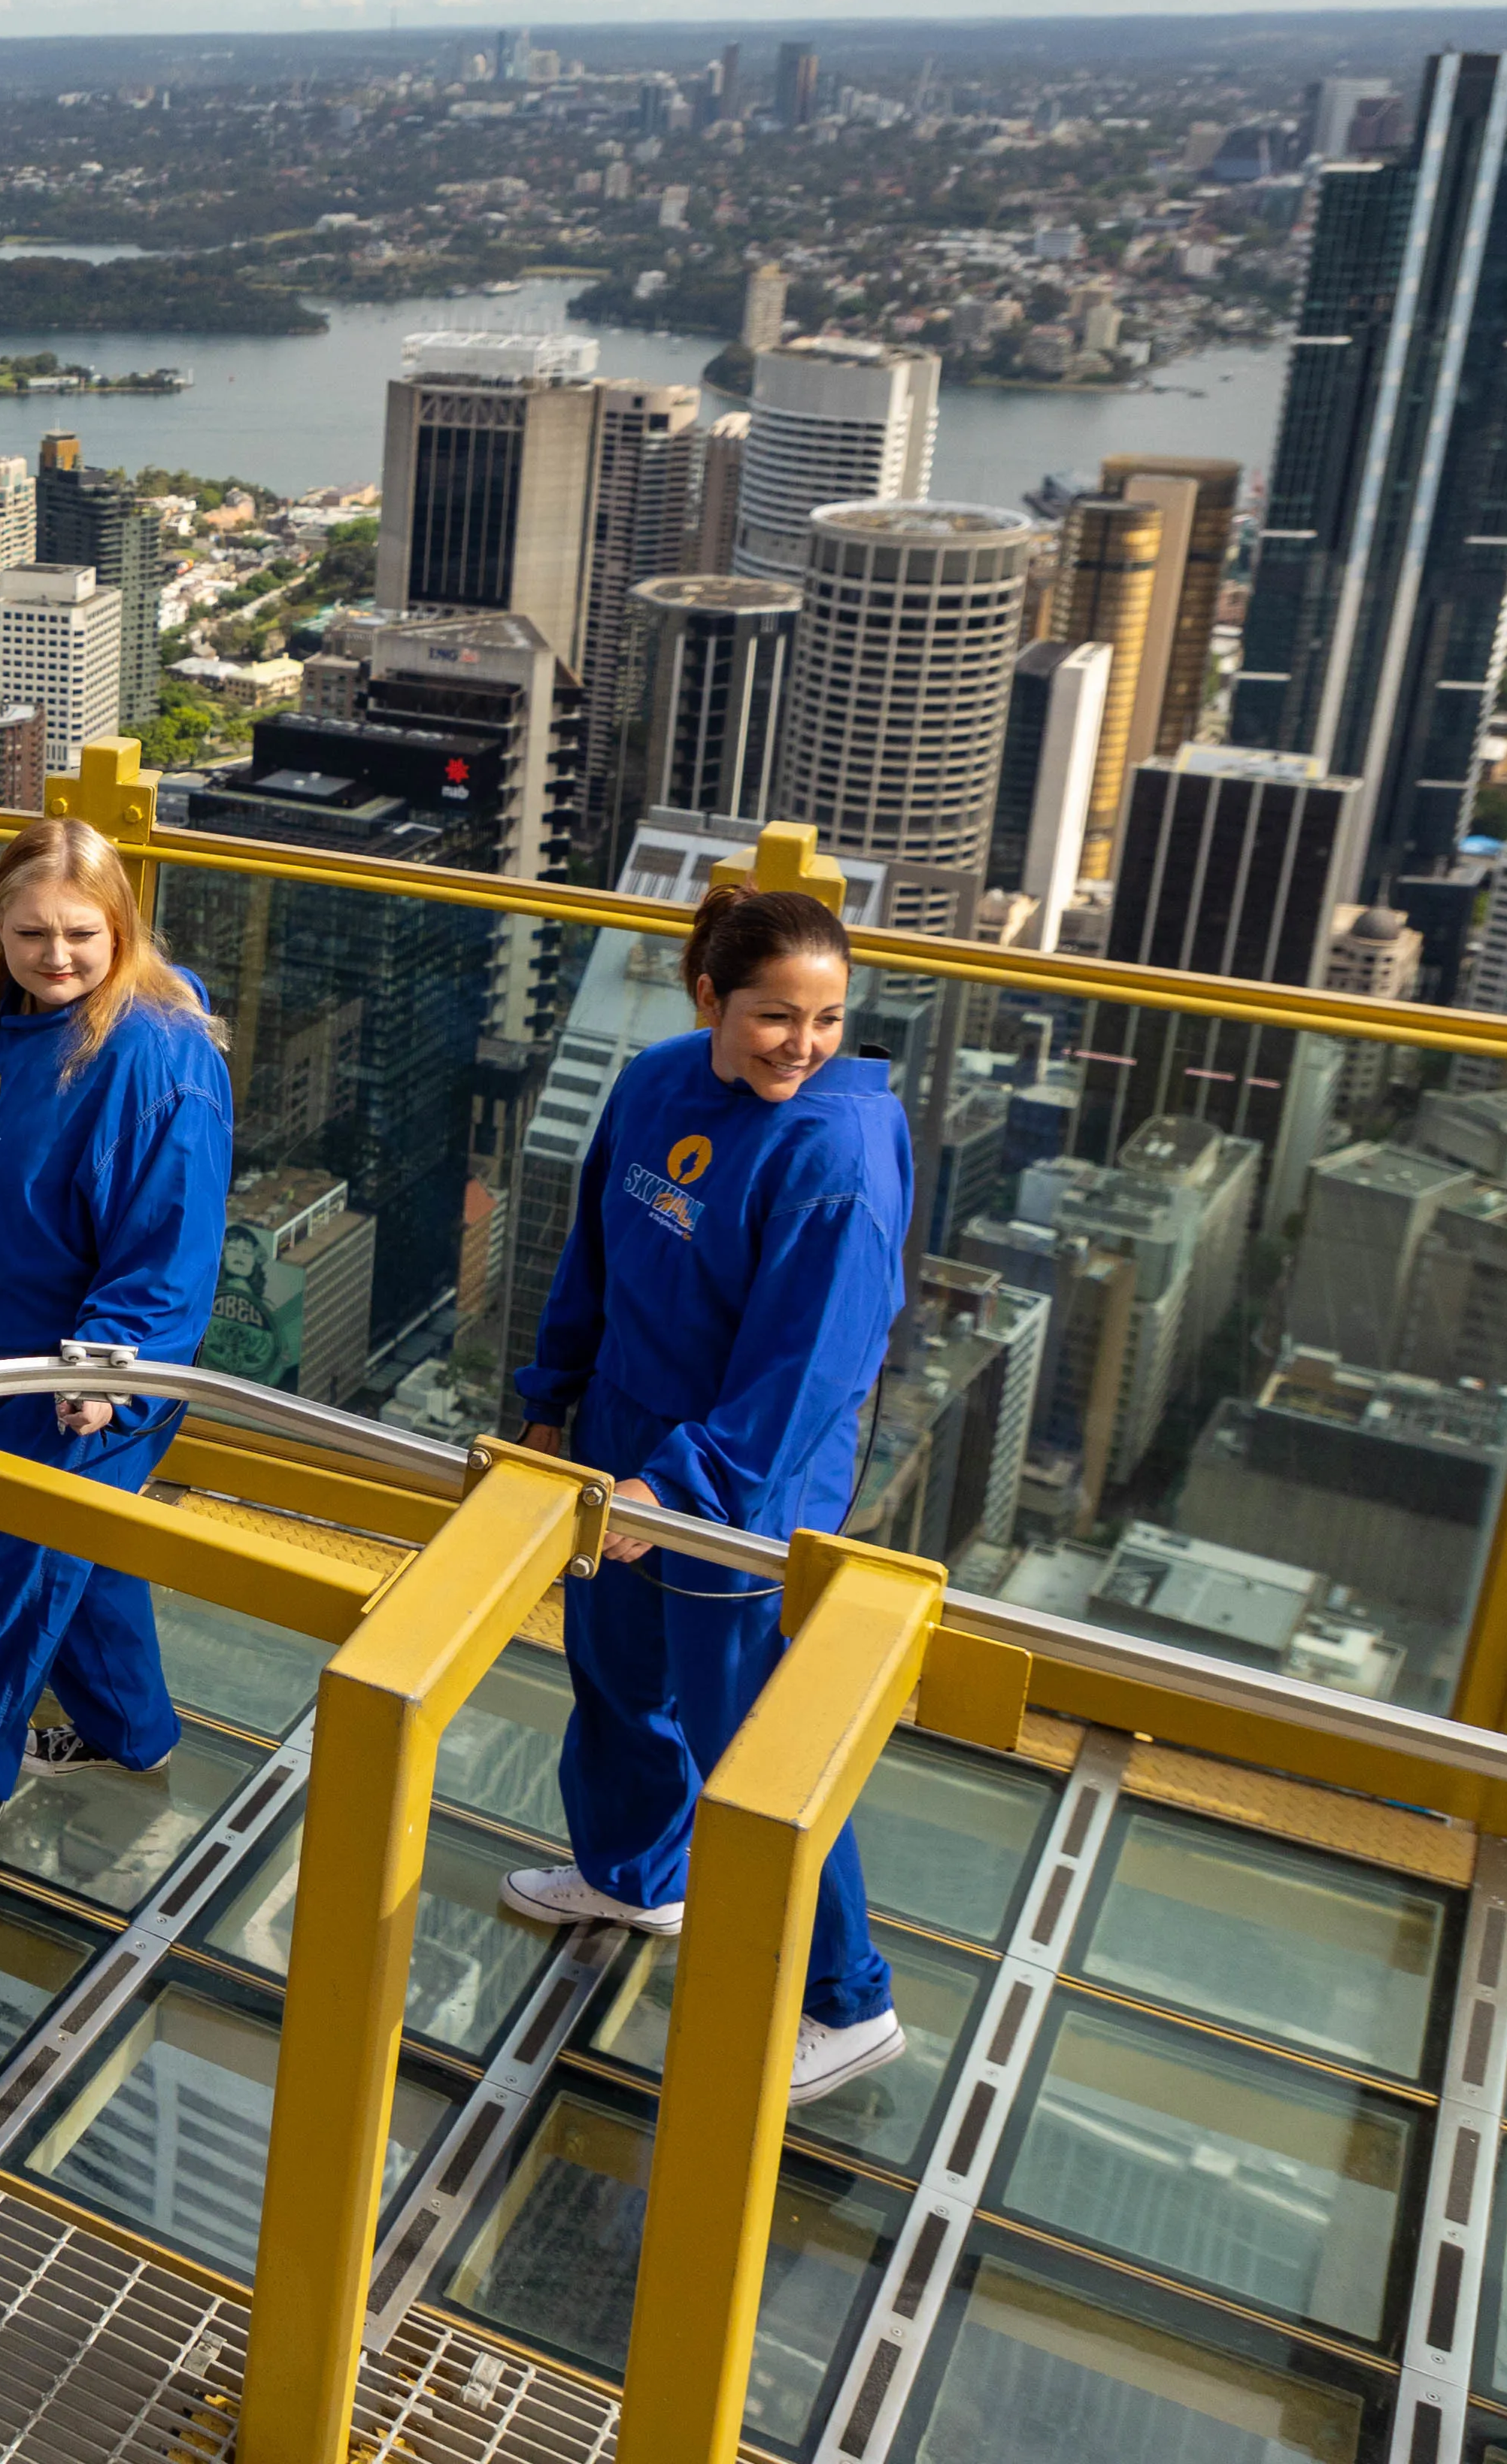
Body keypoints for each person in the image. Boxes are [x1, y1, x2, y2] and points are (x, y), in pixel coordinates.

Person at [503, 877, 913, 2107]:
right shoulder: (657, 1081)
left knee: (760, 1749)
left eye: (828, 1017)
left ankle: (850, 2001)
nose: (804, 1043)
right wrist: (550, 1390)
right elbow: (595, 1252)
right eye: (775, 1015)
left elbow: (807, 1374)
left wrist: (670, 1492)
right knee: (616, 1674)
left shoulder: (835, 1156)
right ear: (708, 998)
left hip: (747, 1486)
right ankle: (639, 1876)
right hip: (626, 1436)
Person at [0, 815, 235, 1886]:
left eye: (81, 934)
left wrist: (110, 1367)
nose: (56, 957)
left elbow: (172, 1242)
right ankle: (132, 1733)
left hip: (85, 1379)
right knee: (82, 1561)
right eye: (31, 934)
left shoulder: (157, 1063)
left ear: (122, 930)